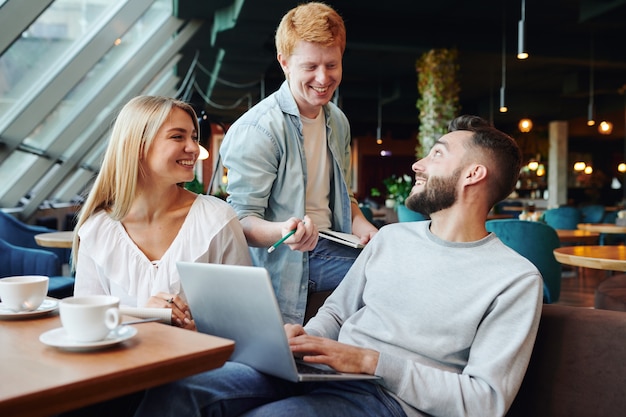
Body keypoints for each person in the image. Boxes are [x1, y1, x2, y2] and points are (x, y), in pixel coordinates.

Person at [130, 115, 544, 417]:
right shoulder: (393, 239)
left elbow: (484, 402)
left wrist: (368, 361)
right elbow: (337, 312)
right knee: (182, 390)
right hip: (320, 371)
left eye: (436, 154)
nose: (417, 164)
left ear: (473, 174)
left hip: (391, 400)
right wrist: (301, 341)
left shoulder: (514, 279)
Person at [219, 2, 378, 324]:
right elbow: (241, 221)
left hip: (335, 241)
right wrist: (284, 231)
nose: (323, 78)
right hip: (291, 260)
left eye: (332, 65)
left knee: (401, 254)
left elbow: (343, 199)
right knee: (392, 274)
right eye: (310, 67)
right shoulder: (258, 129)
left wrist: (368, 230)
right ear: (285, 63)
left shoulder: (338, 121)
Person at [71, 95, 251, 331]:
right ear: (137, 146)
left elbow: (247, 319)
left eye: (194, 138)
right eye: (177, 136)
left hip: (201, 363)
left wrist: (199, 330)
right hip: (123, 364)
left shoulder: (216, 219)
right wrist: (144, 318)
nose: (194, 148)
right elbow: (85, 325)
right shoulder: (97, 230)